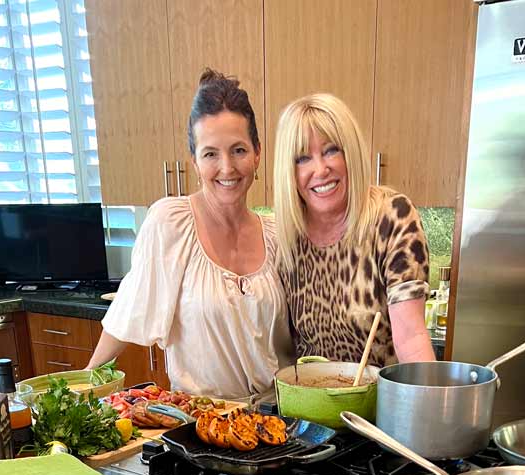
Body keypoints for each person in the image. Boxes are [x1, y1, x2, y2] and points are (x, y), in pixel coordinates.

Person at [87, 69, 293, 400]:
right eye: (211, 153)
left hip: (276, 424)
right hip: (198, 429)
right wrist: (84, 387)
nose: (227, 167)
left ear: (257, 152)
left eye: (238, 150)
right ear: (194, 162)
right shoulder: (170, 223)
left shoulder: (278, 235)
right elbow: (127, 312)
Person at [273, 93, 435, 367]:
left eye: (331, 150)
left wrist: (425, 404)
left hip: (378, 407)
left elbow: (411, 338)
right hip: (308, 404)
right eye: (302, 158)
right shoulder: (289, 237)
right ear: (288, 171)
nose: (321, 169)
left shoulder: (391, 217)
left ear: (352, 153)